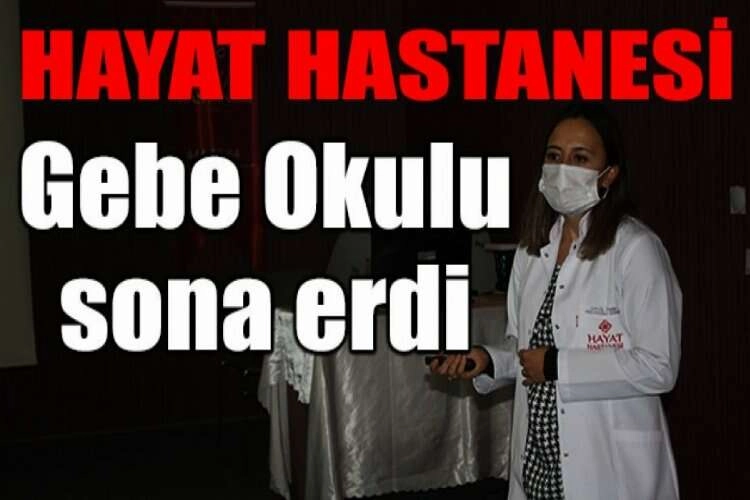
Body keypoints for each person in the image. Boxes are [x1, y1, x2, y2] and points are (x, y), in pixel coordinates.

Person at [430, 103, 682, 500]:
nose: (564, 169)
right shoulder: (531, 252)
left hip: (609, 469)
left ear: (609, 174)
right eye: (554, 156)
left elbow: (659, 366)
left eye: (580, 158)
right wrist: (489, 359)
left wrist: (557, 365)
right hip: (539, 463)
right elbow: (526, 350)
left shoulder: (636, 250)